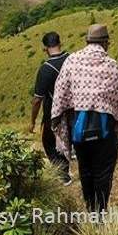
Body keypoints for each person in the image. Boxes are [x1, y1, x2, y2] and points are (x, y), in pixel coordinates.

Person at [50, 24, 118, 213]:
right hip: (105, 132)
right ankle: (101, 211)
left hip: (79, 130)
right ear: (105, 43)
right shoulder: (112, 65)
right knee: (103, 173)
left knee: (85, 170)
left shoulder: (71, 61)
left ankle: (90, 208)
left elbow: (60, 94)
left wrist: (56, 120)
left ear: (87, 41)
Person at [29, 31, 71, 185]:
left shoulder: (45, 69)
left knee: (49, 143)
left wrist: (32, 121)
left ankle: (63, 175)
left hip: (54, 114)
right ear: (60, 43)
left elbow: (37, 100)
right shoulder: (71, 60)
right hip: (75, 109)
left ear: (45, 48)